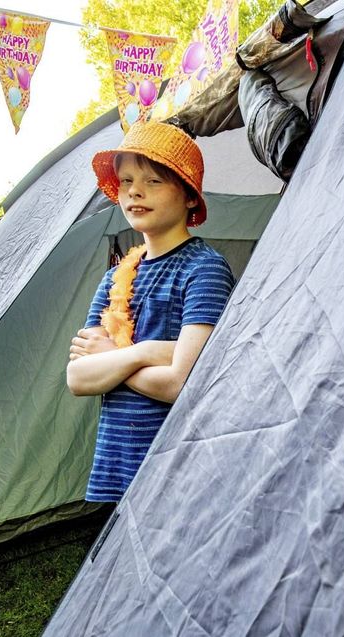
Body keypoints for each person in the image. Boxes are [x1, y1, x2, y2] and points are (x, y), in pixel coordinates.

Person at [66, 121, 235, 502]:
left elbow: (180, 384)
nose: (135, 191)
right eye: (126, 181)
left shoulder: (202, 268)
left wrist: (115, 358)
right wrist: (148, 352)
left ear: (190, 196)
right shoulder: (116, 276)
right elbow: (78, 378)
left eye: (154, 181)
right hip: (118, 458)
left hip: (175, 465)